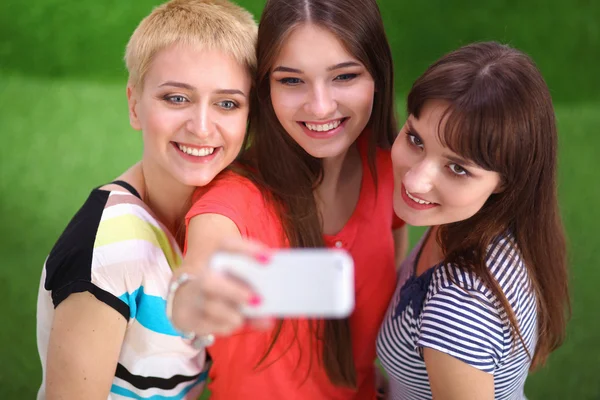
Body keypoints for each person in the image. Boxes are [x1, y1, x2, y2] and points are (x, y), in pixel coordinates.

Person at [168, 0, 408, 399]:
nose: (319, 106)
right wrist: (190, 298)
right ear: (266, 88)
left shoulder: (389, 168)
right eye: (291, 81)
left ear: (378, 76)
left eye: (344, 76)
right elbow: (198, 267)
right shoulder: (234, 196)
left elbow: (393, 240)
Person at [35, 1, 257, 398]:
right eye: (176, 98)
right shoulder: (109, 253)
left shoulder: (223, 212)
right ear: (135, 104)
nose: (202, 127)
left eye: (227, 103)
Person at [376, 41, 570, 400]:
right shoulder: (486, 222)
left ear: (507, 181)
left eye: (457, 168)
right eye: (416, 139)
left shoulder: (456, 311)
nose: (415, 180)